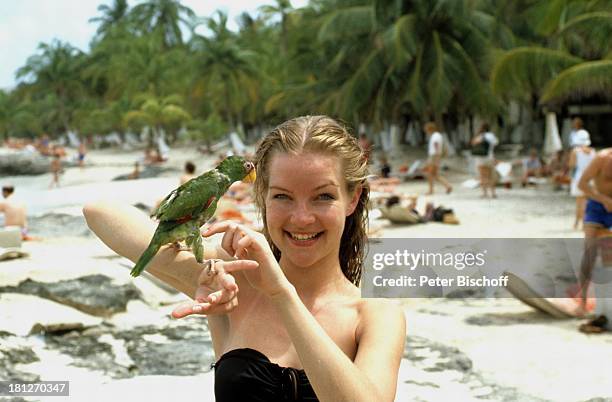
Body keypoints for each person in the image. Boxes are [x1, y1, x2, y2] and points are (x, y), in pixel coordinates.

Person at [83, 115, 405, 401]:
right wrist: (210, 186)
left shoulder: (376, 314)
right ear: (262, 197)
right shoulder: (234, 278)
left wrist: (281, 294)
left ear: (353, 198)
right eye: (282, 196)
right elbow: (99, 212)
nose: (302, 218)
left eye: (323, 196)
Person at [576, 148, 612, 333]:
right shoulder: (601, 158)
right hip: (597, 206)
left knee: (609, 260)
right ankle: (581, 301)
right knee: (589, 253)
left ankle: (605, 307)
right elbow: (582, 184)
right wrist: (603, 198)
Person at [569, 131, 595, 229]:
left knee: (579, 201)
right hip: (590, 178)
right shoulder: (592, 151)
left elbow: (572, 165)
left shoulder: (575, 151)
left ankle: (577, 222)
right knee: (587, 201)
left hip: (579, 177)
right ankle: (584, 223)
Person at [470, 123, 499, 198]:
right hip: (489, 157)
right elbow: (496, 143)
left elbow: (473, 143)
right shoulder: (491, 136)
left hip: (480, 158)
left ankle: (484, 193)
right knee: (490, 176)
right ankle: (493, 193)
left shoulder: (480, 135)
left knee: (483, 176)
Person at [424, 122, 452, 195]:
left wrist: (436, 155)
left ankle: (431, 190)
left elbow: (436, 144)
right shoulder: (438, 135)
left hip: (434, 155)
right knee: (435, 174)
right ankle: (447, 186)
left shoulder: (435, 135)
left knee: (429, 174)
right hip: (436, 155)